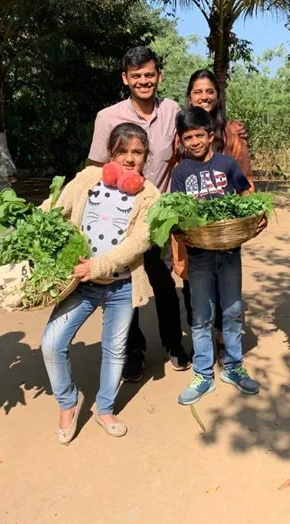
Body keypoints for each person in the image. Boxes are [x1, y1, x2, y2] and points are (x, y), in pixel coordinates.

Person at [41, 123, 159, 443]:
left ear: (146, 157)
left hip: (121, 286)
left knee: (115, 350)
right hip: (80, 283)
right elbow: (55, 208)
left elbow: (140, 241)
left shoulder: (150, 195)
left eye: (138, 152)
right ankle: (69, 402)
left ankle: (105, 408)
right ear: (111, 153)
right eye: (123, 152)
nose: (130, 159)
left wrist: (100, 265)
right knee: (51, 343)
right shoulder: (87, 179)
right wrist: (30, 224)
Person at [87, 46, 191, 381]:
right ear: (125, 79)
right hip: (117, 217)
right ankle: (134, 351)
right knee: (125, 286)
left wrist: (232, 131)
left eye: (149, 74)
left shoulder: (173, 110)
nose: (143, 81)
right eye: (136, 76)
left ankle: (174, 344)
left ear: (159, 76)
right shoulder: (108, 117)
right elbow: (94, 168)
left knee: (162, 283)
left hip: (157, 214)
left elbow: (191, 143)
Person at [170, 107, 262, 405]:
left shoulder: (226, 164)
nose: (194, 142)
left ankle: (233, 366)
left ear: (211, 136)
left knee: (233, 311)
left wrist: (255, 217)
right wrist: (179, 230)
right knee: (199, 317)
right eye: (188, 138)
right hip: (198, 254)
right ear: (181, 141)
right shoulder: (181, 172)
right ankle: (203, 374)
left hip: (230, 251)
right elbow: (176, 212)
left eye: (199, 135)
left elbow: (247, 196)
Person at [174, 69, 253, 356]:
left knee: (229, 294)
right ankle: (202, 346)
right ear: (189, 96)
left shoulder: (232, 132)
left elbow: (245, 182)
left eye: (210, 91)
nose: (204, 96)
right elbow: (177, 183)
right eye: (198, 91)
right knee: (194, 285)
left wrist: (247, 214)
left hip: (227, 232)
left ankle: (226, 346)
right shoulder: (180, 136)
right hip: (194, 235)